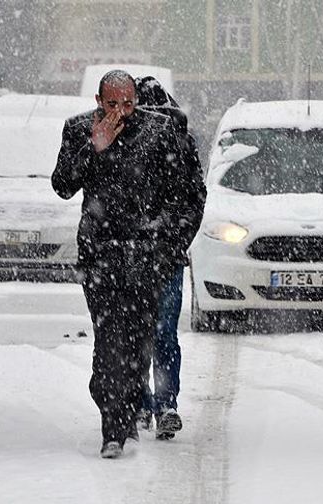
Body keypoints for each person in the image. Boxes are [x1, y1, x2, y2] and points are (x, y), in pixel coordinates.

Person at [52, 70, 205, 459]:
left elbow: (188, 195)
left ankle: (129, 408)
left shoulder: (159, 132)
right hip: (101, 257)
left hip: (146, 258)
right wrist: (94, 147)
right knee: (108, 342)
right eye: (112, 103)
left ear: (137, 100)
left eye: (128, 103)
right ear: (98, 100)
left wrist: (170, 244)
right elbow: (63, 184)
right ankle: (113, 428)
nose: (120, 112)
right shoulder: (79, 129)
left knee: (138, 344)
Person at [132, 76, 206, 441]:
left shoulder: (177, 143)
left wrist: (172, 238)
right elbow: (195, 200)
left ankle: (160, 403)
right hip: (147, 256)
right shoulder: (174, 142)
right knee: (150, 333)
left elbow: (194, 199)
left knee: (154, 332)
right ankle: (151, 402)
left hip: (160, 256)